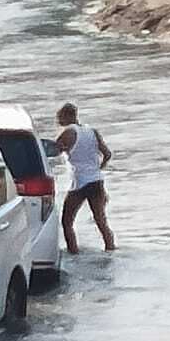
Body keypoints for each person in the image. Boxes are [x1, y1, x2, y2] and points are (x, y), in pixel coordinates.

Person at [55, 103, 116, 254]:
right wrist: (98, 169)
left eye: (59, 117)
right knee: (101, 221)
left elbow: (53, 151)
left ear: (68, 116)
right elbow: (107, 154)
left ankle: (73, 253)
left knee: (67, 221)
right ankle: (110, 249)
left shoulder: (68, 133)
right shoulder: (92, 131)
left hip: (81, 183)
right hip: (97, 181)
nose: (58, 121)